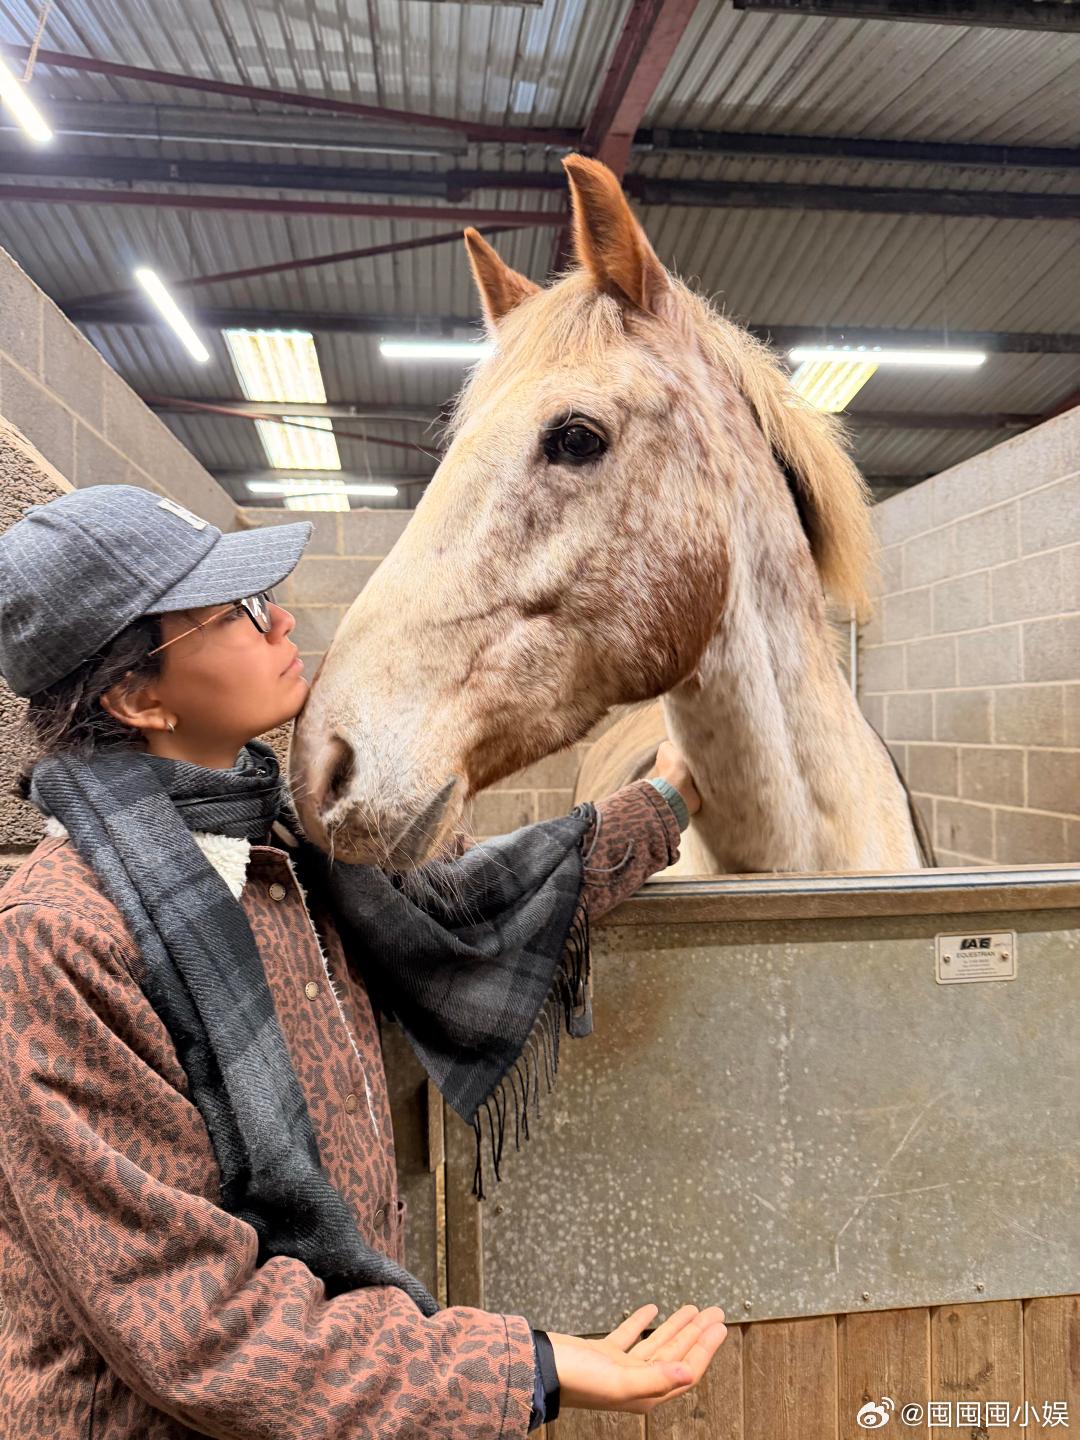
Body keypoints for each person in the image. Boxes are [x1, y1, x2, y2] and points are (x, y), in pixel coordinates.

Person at [0, 484, 727, 1438]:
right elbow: (198, 1329)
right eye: (237, 611)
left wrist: (664, 802)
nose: (282, 621)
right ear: (138, 697)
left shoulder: (288, 850)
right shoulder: (61, 939)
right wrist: (529, 1369)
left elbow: (474, 901)